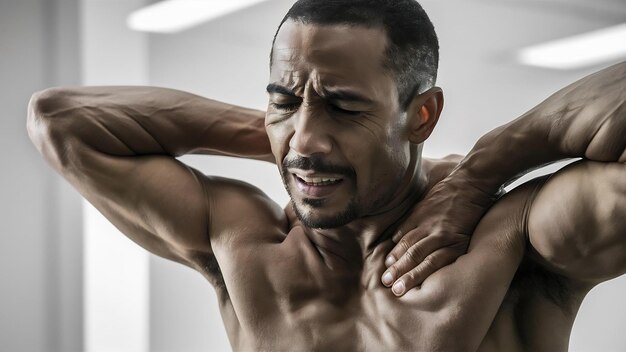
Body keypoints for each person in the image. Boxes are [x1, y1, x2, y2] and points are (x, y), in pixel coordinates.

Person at [27, 0, 626, 350]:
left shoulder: (507, 234)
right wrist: (285, 138)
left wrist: (480, 173)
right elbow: (61, 121)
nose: (308, 138)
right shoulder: (244, 241)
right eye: (283, 99)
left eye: (344, 105)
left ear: (421, 116)